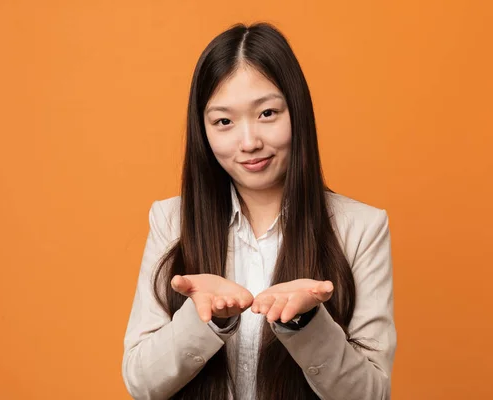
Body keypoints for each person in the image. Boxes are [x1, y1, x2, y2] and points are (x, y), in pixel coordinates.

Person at [122, 22, 396, 400]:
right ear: (203, 130)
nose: (249, 142)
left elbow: (372, 394)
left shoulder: (362, 227)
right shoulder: (171, 220)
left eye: (267, 113)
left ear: (296, 112)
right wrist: (205, 320)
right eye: (224, 122)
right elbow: (141, 383)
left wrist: (307, 325)